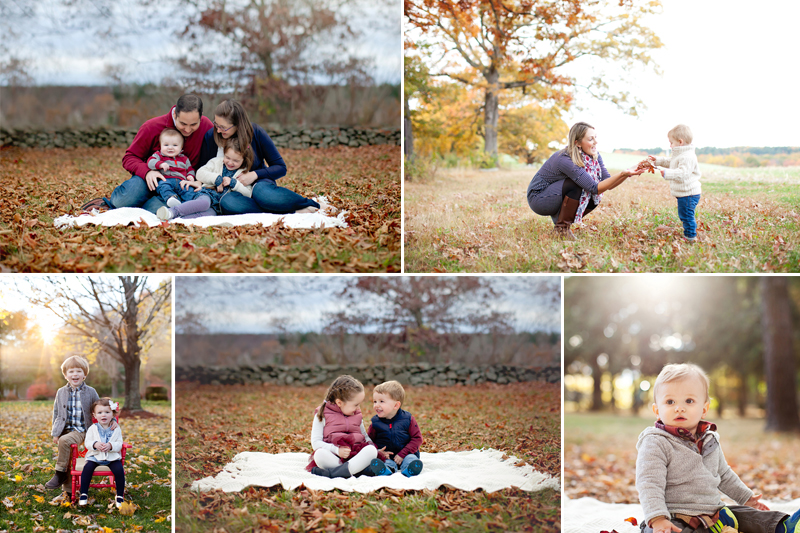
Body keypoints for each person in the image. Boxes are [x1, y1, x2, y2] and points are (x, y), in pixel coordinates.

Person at [636, 363, 800, 533]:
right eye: (670, 401)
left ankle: (784, 527)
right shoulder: (655, 442)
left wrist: (745, 497)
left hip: (714, 513)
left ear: (704, 409)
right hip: (674, 516)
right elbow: (649, 483)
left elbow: (724, 474)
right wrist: (658, 518)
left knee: (749, 515)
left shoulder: (709, 439)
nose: (679, 407)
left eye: (689, 401)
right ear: (657, 410)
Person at [80, 94, 213, 214]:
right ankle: (113, 202)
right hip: (149, 181)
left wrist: (198, 181)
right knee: (123, 200)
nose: (188, 129)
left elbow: (216, 159)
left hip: (182, 185)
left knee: (157, 210)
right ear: (174, 115)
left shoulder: (207, 127)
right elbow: (129, 157)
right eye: (183, 124)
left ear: (201, 117)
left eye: (193, 124)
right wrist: (148, 172)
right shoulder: (151, 127)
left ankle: (148, 205)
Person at [197, 99, 320, 215]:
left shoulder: (255, 132)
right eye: (216, 124)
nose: (218, 130)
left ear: (238, 124)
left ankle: (309, 204)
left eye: (223, 127)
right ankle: (283, 210)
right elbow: (203, 167)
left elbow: (280, 167)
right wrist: (208, 180)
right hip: (230, 192)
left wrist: (254, 175)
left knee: (262, 194)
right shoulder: (211, 136)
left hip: (258, 183)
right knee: (227, 202)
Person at [527, 122, 645, 240]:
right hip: (538, 198)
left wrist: (627, 172)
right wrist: (623, 173)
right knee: (578, 185)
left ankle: (561, 227)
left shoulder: (594, 156)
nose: (596, 142)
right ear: (577, 143)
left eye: (595, 137)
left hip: (555, 193)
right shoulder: (564, 158)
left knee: (594, 197)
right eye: (590, 139)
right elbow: (594, 187)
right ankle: (561, 229)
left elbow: (608, 183)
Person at [46, 356, 109, 490]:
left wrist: (112, 421)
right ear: (66, 375)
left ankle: (59, 472)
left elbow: (101, 409)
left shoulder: (90, 392)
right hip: (66, 429)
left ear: (84, 374)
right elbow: (56, 413)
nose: (75, 374)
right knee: (68, 455)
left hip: (83, 430)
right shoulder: (61, 392)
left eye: (79, 371)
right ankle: (69, 491)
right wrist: (55, 433)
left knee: (65, 440)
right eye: (71, 371)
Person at [157, 137, 254, 220]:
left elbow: (248, 194)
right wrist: (217, 179)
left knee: (208, 216)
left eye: (236, 160)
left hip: (217, 207)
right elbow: (200, 173)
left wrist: (234, 183)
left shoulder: (244, 174)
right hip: (207, 193)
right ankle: (172, 212)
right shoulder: (216, 162)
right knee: (204, 203)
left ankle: (178, 220)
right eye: (228, 157)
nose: (230, 162)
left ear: (244, 160)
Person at [306, 375, 378, 479]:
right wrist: (337, 450)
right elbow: (316, 443)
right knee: (319, 455)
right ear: (339, 402)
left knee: (371, 450)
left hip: (355, 454)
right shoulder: (322, 414)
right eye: (356, 404)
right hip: (335, 457)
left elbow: (364, 436)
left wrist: (376, 449)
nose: (358, 408)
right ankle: (356, 471)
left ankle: (333, 473)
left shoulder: (356, 414)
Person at [646, 124, 702, 242]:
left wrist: (667, 173)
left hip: (689, 194)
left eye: (671, 142)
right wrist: (657, 160)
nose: (670, 145)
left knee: (686, 215)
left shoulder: (688, 156)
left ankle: (690, 237)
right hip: (685, 193)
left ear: (680, 142)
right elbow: (671, 162)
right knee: (685, 214)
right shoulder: (681, 154)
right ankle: (689, 234)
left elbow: (683, 173)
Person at [367, 380, 423, 477]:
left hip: (406, 454)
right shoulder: (375, 423)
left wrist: (402, 454)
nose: (376, 405)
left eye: (381, 401)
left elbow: (417, 439)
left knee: (410, 459)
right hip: (387, 456)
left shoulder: (407, 419)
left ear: (396, 405)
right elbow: (369, 441)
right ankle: (385, 470)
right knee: (386, 462)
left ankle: (410, 469)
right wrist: (379, 452)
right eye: (375, 401)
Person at [79, 398, 126, 508]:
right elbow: (87, 442)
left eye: (107, 412)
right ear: (94, 415)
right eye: (100, 413)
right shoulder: (92, 428)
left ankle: (119, 496)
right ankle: (84, 493)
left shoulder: (116, 428)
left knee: (119, 470)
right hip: (95, 457)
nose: (103, 415)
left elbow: (120, 443)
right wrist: (95, 444)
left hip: (111, 457)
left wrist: (111, 446)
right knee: (87, 469)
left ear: (113, 414)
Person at [148, 128, 196, 207]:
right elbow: (150, 162)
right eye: (166, 145)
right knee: (162, 187)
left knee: (189, 190)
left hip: (182, 182)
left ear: (181, 147)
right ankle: (171, 198)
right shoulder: (159, 155)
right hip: (166, 179)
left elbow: (190, 169)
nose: (170, 148)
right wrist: (160, 164)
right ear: (160, 146)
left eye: (175, 145)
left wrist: (190, 176)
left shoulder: (184, 158)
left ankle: (189, 203)